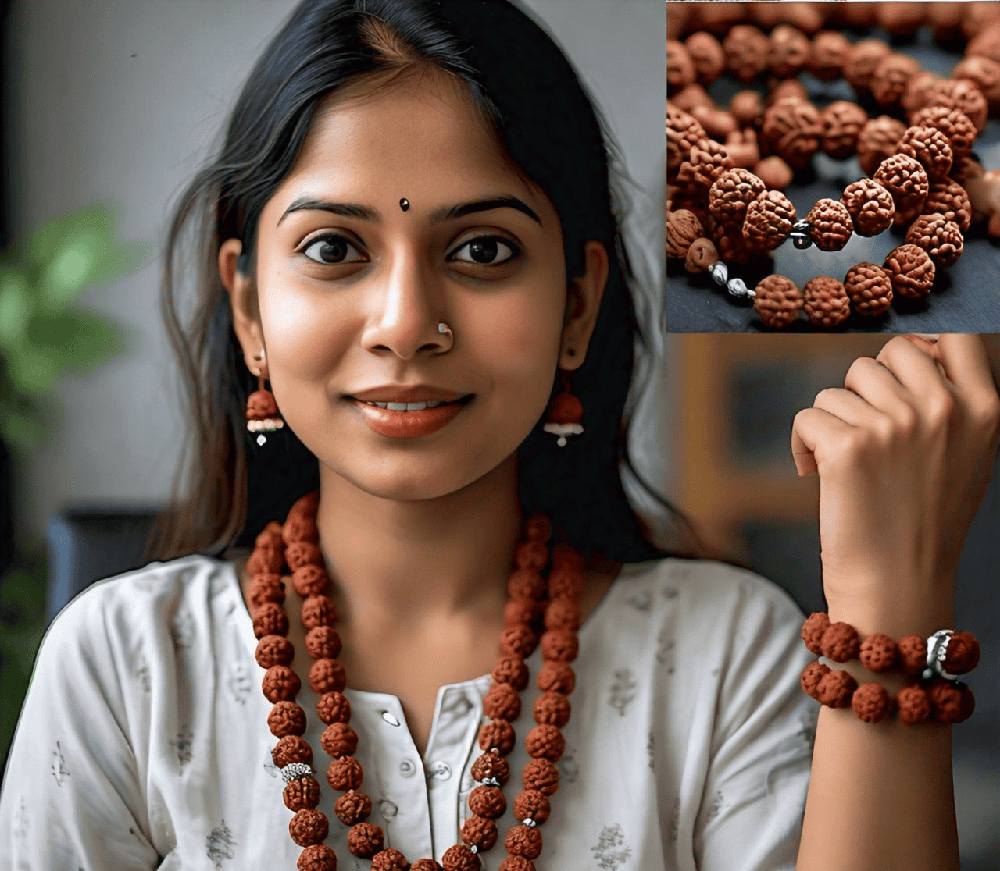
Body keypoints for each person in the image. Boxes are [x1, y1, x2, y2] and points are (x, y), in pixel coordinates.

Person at [2, 1, 998, 869]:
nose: (404, 321)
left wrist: (888, 600)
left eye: (481, 249)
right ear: (250, 308)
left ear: (577, 306)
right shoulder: (124, 666)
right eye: (333, 248)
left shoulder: (722, 652)